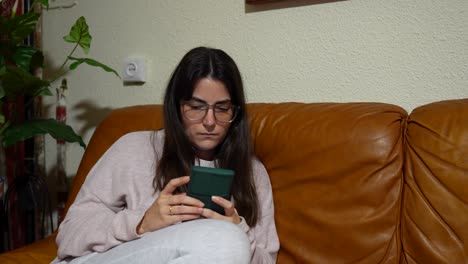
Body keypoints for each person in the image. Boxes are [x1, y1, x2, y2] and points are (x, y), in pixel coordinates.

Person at [52, 47, 279, 264]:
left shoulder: (253, 173)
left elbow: (266, 261)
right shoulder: (134, 147)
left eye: (222, 109)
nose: (210, 122)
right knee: (225, 241)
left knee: (228, 240)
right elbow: (69, 234)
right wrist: (142, 222)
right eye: (196, 106)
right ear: (177, 106)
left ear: (235, 112)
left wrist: (239, 229)